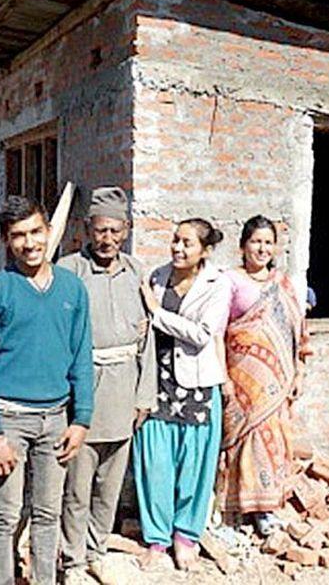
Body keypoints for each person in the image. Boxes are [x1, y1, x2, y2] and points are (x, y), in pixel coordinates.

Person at [0, 196, 94, 585]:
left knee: (47, 513)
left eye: (36, 231)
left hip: (56, 420)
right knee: (5, 516)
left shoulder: (72, 289)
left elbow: (81, 356)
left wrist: (82, 418)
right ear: (7, 240)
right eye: (18, 235)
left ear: (48, 231)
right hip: (9, 420)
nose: (29, 243)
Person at [57, 187, 156, 585]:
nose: (108, 239)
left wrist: (144, 396)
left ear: (127, 230)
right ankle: (72, 561)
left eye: (115, 231)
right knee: (77, 488)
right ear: (86, 230)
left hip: (125, 393)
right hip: (83, 395)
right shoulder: (68, 271)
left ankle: (97, 551)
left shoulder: (135, 272)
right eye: (100, 231)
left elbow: (147, 340)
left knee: (109, 487)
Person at [135, 218, 231, 570]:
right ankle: (157, 540)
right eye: (175, 240)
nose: (177, 248)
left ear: (204, 250)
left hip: (196, 384)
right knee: (155, 463)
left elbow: (204, 334)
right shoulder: (157, 277)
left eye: (187, 243)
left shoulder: (218, 284)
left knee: (194, 466)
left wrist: (157, 313)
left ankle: (186, 537)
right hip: (156, 381)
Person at [214, 215, 309, 536]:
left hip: (277, 380)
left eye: (268, 242)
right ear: (243, 246)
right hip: (240, 377)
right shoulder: (229, 280)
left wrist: (297, 372)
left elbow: (298, 331)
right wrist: (223, 376)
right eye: (256, 241)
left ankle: (264, 509)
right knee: (239, 439)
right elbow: (216, 330)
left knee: (271, 439)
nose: (262, 248)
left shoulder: (282, 284)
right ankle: (236, 506)